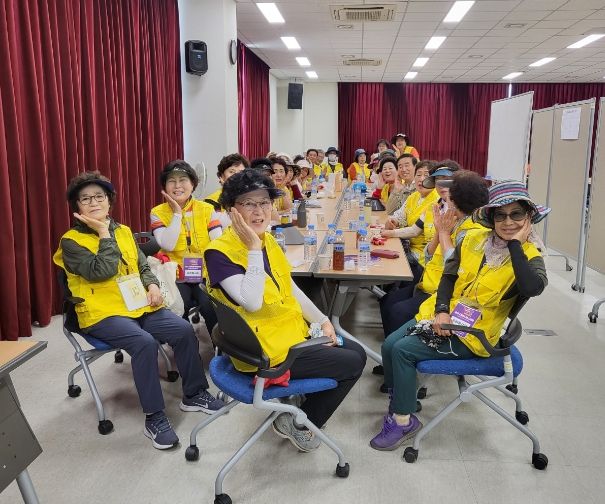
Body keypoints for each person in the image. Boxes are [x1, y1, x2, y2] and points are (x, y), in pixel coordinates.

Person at [370, 180, 549, 451]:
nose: (508, 222)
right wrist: (441, 311)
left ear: (528, 217)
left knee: (403, 351)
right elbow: (449, 277)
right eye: (500, 215)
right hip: (446, 314)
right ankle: (402, 402)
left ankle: (403, 420)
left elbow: (532, 288)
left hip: (474, 334)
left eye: (516, 214)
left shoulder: (531, 254)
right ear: (491, 217)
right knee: (389, 345)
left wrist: (515, 245)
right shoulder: (475, 239)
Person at [53, 171, 225, 450]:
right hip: (101, 313)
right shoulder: (71, 241)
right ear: (77, 207)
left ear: (109, 201)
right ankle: (154, 416)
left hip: (137, 304)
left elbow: (142, 264)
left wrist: (152, 285)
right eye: (86, 199)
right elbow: (101, 271)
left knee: (183, 329)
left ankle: (194, 393)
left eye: (99, 196)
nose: (94, 202)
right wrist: (103, 233)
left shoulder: (123, 231)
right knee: (144, 343)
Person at [204, 170, 367, 452]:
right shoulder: (219, 253)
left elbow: (289, 287)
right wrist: (253, 249)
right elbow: (252, 302)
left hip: (289, 336)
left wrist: (322, 320)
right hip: (264, 352)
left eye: (264, 202)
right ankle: (300, 423)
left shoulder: (268, 241)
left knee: (357, 351)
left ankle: (298, 409)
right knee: (352, 363)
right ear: (232, 210)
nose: (259, 211)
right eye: (248, 203)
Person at [379, 170, 489, 338]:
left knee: (397, 311)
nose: (445, 197)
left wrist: (443, 233)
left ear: (457, 200)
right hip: (428, 282)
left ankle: (399, 345)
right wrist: (439, 232)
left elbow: (454, 267)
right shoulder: (450, 218)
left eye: (450, 197)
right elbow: (429, 256)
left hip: (443, 293)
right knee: (387, 301)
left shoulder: (474, 230)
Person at [150, 160, 221, 335]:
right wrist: (176, 214)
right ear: (165, 186)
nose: (177, 186)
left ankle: (219, 347)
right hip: (174, 274)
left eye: (183, 180)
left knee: (210, 306)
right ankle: (186, 344)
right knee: (178, 307)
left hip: (205, 272)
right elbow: (167, 244)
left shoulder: (207, 209)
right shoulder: (157, 212)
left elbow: (218, 244)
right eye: (171, 181)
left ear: (192, 184)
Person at [382, 161, 439, 279]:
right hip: (408, 246)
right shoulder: (414, 196)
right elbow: (399, 215)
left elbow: (414, 231)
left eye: (426, 175)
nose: (421, 179)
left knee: (386, 261)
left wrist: (391, 232)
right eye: (418, 175)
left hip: (421, 254)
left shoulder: (436, 201)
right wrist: (393, 221)